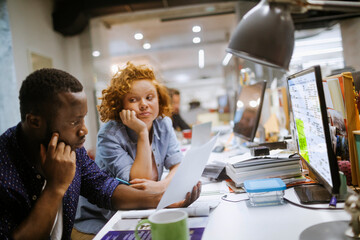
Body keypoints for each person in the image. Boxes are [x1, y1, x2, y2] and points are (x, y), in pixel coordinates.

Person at [0, 68, 201, 239]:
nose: (84, 130)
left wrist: (164, 200)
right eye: (74, 122)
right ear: (35, 122)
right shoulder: (4, 169)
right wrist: (55, 187)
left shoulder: (73, 150)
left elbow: (104, 188)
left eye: (83, 119)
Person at [74, 62, 189, 234]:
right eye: (133, 99)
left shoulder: (163, 123)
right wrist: (142, 132)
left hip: (147, 205)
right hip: (105, 217)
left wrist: (162, 186)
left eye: (149, 97)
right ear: (120, 106)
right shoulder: (109, 134)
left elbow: (177, 165)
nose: (144, 104)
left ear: (159, 98)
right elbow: (138, 183)